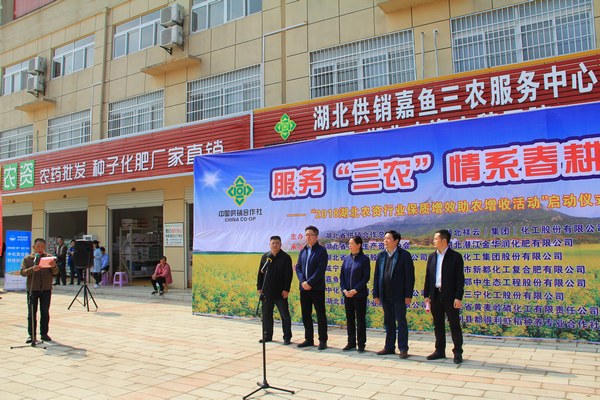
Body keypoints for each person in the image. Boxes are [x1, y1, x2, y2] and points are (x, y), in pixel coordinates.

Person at [424, 229, 465, 364]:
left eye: (436, 239)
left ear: (444, 241)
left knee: (454, 324)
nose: (433, 241)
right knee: (438, 324)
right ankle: (439, 350)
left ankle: (457, 352)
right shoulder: (432, 257)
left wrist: (458, 297)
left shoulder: (455, 257)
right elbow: (428, 277)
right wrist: (426, 295)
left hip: (450, 296)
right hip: (435, 295)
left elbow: (460, 279)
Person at [373, 230, 415, 359]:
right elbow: (376, 276)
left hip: (399, 295)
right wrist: (376, 294)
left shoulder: (404, 255)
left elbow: (410, 277)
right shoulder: (381, 256)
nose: (385, 241)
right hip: (385, 294)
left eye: (388, 238)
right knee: (388, 321)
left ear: (396, 241)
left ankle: (403, 348)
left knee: (401, 321)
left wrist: (408, 295)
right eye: (384, 239)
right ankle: (389, 347)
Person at [295, 225, 328, 350]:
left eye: (310, 235)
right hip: (304, 288)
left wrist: (310, 282)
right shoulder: (303, 250)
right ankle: (309, 339)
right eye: (306, 235)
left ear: (316, 236)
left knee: (320, 315)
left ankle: (322, 340)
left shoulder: (321, 251)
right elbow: (298, 267)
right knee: (306, 314)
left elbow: (320, 270)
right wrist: (303, 282)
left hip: (317, 288)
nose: (308, 237)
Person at [20, 238, 58, 343]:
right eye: (38, 246)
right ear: (34, 247)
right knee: (32, 313)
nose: (40, 249)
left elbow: (56, 272)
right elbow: (22, 272)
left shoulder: (49, 258)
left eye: (42, 246)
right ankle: (31, 335)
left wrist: (54, 266)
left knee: (45, 312)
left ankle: (44, 334)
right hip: (33, 289)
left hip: (46, 289)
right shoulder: (28, 259)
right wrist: (32, 269)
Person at [256, 236, 293, 345]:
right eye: (273, 243)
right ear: (269, 244)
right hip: (267, 291)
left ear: (281, 245)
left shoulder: (286, 257)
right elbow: (260, 273)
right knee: (266, 315)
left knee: (284, 315)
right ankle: (267, 336)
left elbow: (288, 275)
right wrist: (259, 287)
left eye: (277, 243)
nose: (275, 245)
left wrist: (286, 289)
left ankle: (287, 337)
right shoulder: (266, 257)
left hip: (280, 292)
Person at [340, 236, 370, 352]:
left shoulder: (364, 259)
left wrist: (355, 290)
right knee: (350, 319)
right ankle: (351, 342)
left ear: (359, 245)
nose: (349, 245)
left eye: (352, 243)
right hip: (347, 295)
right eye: (349, 243)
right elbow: (342, 276)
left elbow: (365, 277)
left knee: (360, 320)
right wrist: (344, 289)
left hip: (359, 295)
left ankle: (361, 344)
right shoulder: (347, 259)